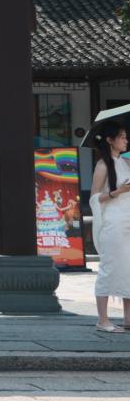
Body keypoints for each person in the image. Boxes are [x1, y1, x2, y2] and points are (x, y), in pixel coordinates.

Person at [90, 120, 130, 333]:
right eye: (122, 137)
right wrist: (118, 191)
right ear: (110, 140)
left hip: (127, 220)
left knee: (128, 268)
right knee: (109, 268)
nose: (126, 140)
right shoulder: (103, 165)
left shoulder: (125, 162)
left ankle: (128, 318)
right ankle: (102, 319)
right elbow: (94, 198)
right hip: (113, 223)